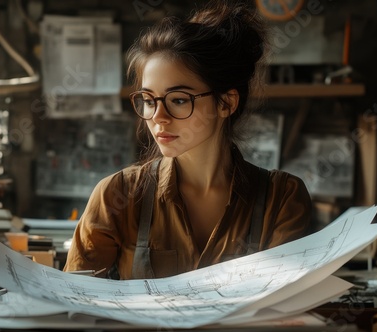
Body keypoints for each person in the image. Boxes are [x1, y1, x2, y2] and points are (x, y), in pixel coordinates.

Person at [64, 0, 312, 279]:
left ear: (226, 103)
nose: (158, 116)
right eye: (148, 100)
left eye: (179, 100)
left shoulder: (282, 199)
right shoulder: (117, 196)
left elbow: (285, 306)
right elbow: (75, 302)